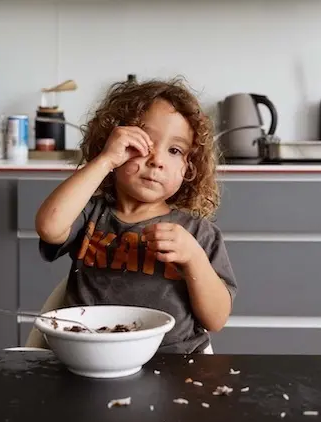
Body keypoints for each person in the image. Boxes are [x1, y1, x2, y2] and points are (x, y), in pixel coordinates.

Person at [35, 78, 237, 355]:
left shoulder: (198, 233)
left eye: (175, 150)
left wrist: (193, 259)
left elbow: (216, 319)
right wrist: (105, 161)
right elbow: (49, 226)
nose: (157, 160)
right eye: (143, 144)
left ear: (188, 169)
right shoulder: (91, 214)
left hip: (174, 364)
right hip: (90, 357)